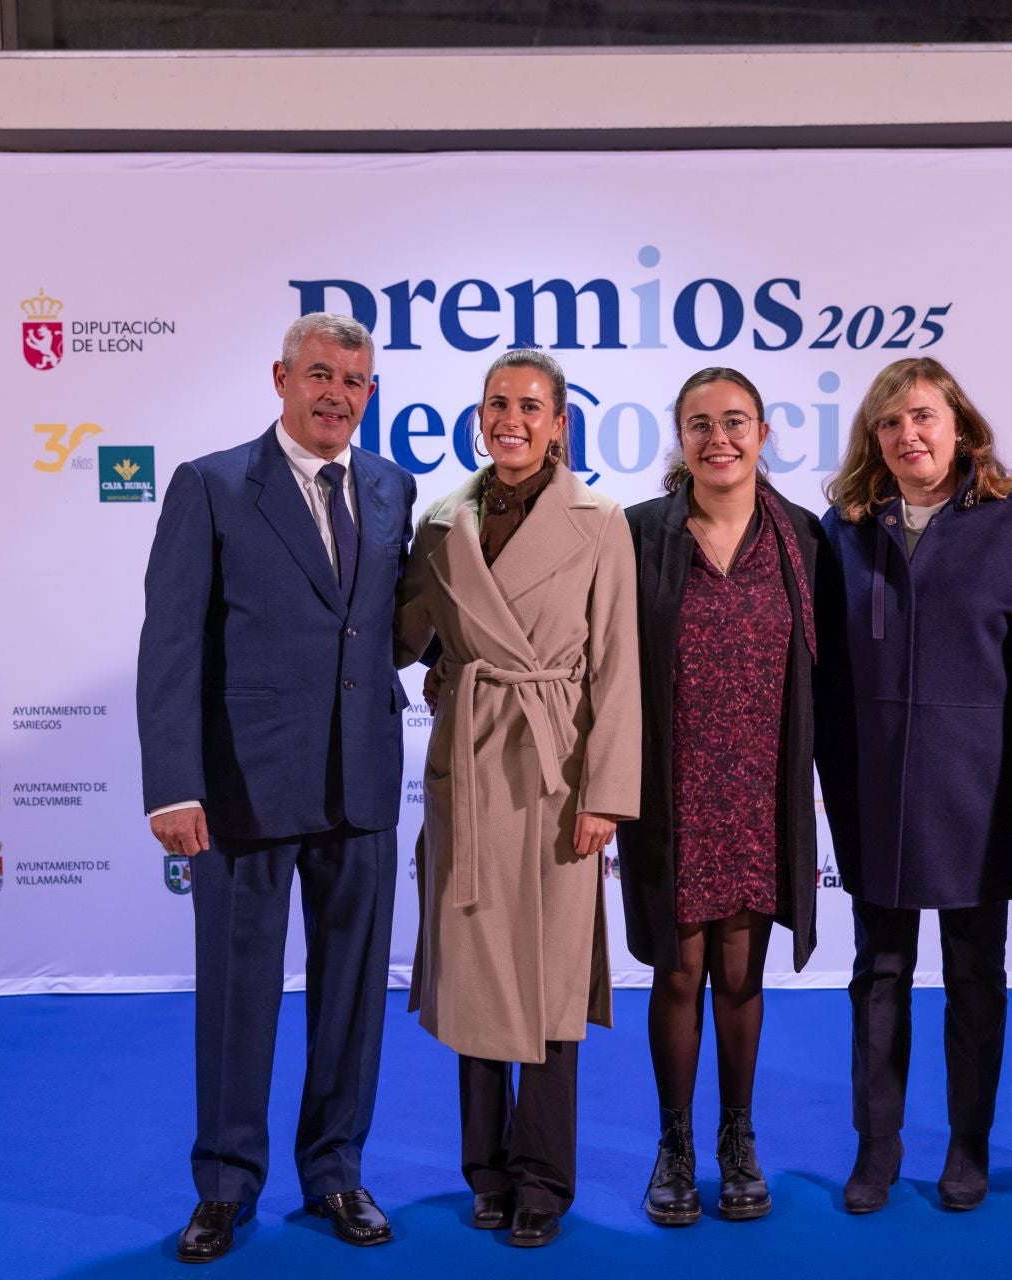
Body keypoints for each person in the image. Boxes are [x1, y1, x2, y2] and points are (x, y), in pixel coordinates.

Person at [137, 312, 415, 1262]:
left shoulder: (391, 486)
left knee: (353, 999)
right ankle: (224, 1186)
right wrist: (173, 786)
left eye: (355, 380)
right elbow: (169, 646)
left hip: (362, 785)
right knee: (236, 996)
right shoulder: (211, 486)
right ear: (281, 378)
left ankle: (336, 1170)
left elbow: (381, 630)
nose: (338, 394)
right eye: (321, 375)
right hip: (242, 789)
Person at [395, 349, 640, 1249]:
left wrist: (605, 794)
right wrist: (447, 672)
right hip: (468, 772)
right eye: (497, 404)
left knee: (547, 981)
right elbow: (404, 633)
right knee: (473, 975)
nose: (511, 420)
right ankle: (483, 1171)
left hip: (557, 773)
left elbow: (618, 668)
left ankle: (542, 1176)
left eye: (530, 407)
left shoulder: (600, 520)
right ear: (478, 415)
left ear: (560, 422)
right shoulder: (440, 521)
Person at [814, 357, 1012, 1215]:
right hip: (874, 788)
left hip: (978, 789)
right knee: (878, 970)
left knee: (975, 973)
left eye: (921, 417)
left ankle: (967, 1148)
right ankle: (876, 1149)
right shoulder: (840, 530)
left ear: (960, 425)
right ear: (872, 441)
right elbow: (824, 674)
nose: (907, 435)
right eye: (889, 424)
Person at [617, 368, 824, 1226]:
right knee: (677, 969)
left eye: (734, 422)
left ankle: (739, 1138)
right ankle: (675, 1144)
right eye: (699, 424)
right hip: (672, 783)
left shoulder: (805, 540)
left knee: (741, 972)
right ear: (680, 437)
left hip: (762, 787)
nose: (719, 439)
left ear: (765, 432)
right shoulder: (638, 535)